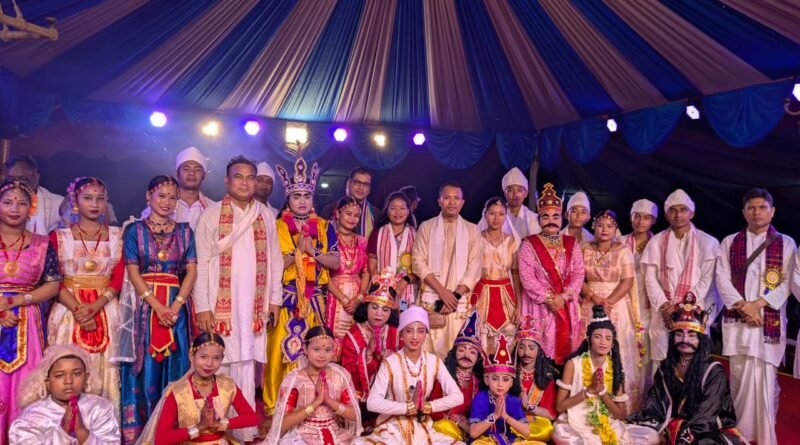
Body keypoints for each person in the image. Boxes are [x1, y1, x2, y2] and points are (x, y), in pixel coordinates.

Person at [193, 156, 283, 442]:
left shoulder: (265, 215)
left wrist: (275, 299)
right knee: (219, 360)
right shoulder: (210, 215)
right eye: (238, 177)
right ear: (227, 181)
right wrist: (202, 305)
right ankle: (213, 428)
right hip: (220, 304)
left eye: (250, 177)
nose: (245, 183)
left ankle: (242, 430)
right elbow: (201, 263)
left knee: (246, 363)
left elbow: (275, 260)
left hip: (254, 304)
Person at [117, 176, 197, 444]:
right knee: (145, 367)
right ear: (148, 197)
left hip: (176, 306)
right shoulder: (134, 230)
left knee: (177, 363)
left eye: (173, 197)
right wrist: (157, 305)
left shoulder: (185, 231)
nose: (167, 202)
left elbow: (191, 270)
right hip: (145, 307)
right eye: (161, 196)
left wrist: (176, 305)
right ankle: (143, 435)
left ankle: (173, 433)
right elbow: (132, 271)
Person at [263, 155, 340, 416]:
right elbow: (271, 266)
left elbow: (335, 262)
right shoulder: (275, 227)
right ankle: (275, 408)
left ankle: (310, 406)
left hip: (314, 301)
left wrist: (312, 252)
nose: (302, 201)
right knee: (278, 352)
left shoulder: (325, 227)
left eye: (306, 196)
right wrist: (297, 250)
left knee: (314, 353)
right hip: (285, 299)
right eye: (296, 196)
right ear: (288, 199)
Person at [717, 188, 795, 445]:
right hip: (739, 321)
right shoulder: (730, 242)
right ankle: (738, 432)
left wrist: (757, 305)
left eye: (762, 207)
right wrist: (744, 307)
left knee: (766, 379)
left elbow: (788, 282)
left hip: (767, 322)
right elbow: (722, 278)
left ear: (772, 212)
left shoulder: (786, 243)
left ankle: (764, 434)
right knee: (738, 377)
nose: (756, 212)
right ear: (744, 212)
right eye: (751, 208)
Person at [47, 177, 125, 417]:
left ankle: (102, 427)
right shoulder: (58, 237)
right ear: (75, 201)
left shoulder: (118, 235)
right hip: (69, 310)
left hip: (106, 308)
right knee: (67, 367)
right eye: (88, 198)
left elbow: (118, 277)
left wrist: (96, 306)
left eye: (100, 199)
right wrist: (79, 309)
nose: (94, 204)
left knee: (106, 369)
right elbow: (54, 279)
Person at [628, 294, 748, 444]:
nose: (685, 340)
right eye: (679, 334)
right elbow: (655, 403)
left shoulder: (713, 371)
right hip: (674, 423)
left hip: (707, 428)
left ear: (701, 340)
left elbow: (707, 414)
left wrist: (685, 437)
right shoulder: (666, 367)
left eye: (692, 335)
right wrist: (651, 424)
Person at [0, 180, 62, 443]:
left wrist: (18, 300)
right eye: (7, 202)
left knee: (26, 387)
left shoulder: (42, 244)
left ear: (31, 208)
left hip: (27, 321)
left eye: (22, 203)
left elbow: (53, 285)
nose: (14, 208)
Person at [354, 306, 466, 445]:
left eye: (420, 331)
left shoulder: (434, 361)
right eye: (409, 331)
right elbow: (372, 403)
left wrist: (427, 406)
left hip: (422, 426)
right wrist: (407, 408)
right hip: (393, 427)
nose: (415, 337)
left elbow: (458, 397)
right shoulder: (390, 362)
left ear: (426, 333)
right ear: (401, 334)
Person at [552, 306, 658, 445]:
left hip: (607, 422)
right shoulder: (573, 364)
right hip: (576, 423)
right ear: (588, 339)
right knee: (565, 437)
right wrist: (589, 391)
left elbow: (620, 414)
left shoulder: (614, 367)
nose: (603, 342)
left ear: (612, 344)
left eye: (608, 338)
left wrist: (602, 392)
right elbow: (560, 406)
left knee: (651, 437)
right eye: (597, 337)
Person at [640, 189, 720, 369]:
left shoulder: (708, 243)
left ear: (692, 213)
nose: (678, 215)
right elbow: (650, 279)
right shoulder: (656, 242)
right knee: (662, 364)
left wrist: (680, 308)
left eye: (683, 209)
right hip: (664, 314)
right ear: (666, 215)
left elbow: (707, 281)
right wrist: (665, 306)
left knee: (693, 365)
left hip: (694, 312)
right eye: (673, 210)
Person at [135, 332, 260, 445]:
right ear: (191, 356)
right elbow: (161, 439)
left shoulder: (227, 386)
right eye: (203, 357)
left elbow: (252, 418)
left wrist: (220, 423)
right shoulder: (178, 392)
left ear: (222, 359)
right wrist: (199, 427)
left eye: (216, 358)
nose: (209, 364)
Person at [580, 210, 645, 412]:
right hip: (590, 304)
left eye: (609, 226)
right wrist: (594, 298)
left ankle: (619, 404)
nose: (604, 230)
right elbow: (578, 278)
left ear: (616, 228)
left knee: (617, 348)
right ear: (593, 227)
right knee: (588, 346)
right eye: (600, 225)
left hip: (616, 305)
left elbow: (627, 281)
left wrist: (608, 302)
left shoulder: (623, 250)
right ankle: (586, 402)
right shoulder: (584, 249)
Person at [413, 181, 482, 356]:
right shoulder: (426, 227)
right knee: (428, 352)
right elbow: (418, 262)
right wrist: (442, 292)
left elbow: (475, 267)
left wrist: (454, 296)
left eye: (456, 198)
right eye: (447, 198)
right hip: (432, 300)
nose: (452, 202)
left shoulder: (472, 230)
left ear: (462, 202)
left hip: (458, 304)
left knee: (456, 353)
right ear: (439, 201)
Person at [518, 183, 584, 366]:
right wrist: (550, 299)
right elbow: (527, 278)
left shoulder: (571, 243)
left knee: (567, 356)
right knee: (540, 355)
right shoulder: (528, 244)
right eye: (545, 216)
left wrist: (563, 297)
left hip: (566, 305)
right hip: (539, 307)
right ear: (539, 219)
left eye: (555, 216)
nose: (551, 221)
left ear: (562, 218)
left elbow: (579, 273)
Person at [265, 326, 361, 444]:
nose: (322, 355)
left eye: (327, 350)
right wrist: (315, 404)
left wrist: (330, 401)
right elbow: (282, 424)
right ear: (305, 349)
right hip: (301, 436)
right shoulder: (295, 379)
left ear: (333, 351)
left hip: (335, 435)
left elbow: (355, 416)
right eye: (316, 349)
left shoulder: (340, 376)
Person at [9, 344, 120, 444]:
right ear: (47, 381)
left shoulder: (100, 407)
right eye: (59, 375)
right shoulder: (33, 415)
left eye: (77, 374)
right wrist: (63, 431)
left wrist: (81, 430)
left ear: (86, 377)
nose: (69, 381)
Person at [341, 267, 402, 405]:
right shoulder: (353, 335)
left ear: (391, 312)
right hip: (361, 399)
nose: (379, 314)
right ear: (366, 307)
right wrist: (368, 353)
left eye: (385, 310)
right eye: (374, 308)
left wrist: (387, 357)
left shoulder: (396, 333)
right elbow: (348, 373)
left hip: (391, 398)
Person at [472, 197, 521, 354]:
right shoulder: (476, 239)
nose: (496, 218)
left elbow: (516, 274)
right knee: (479, 336)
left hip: (506, 296)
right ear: (485, 215)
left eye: (501, 214)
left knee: (506, 343)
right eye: (492, 213)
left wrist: (519, 306)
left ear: (506, 216)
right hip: (480, 294)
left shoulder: (511, 241)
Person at [469, 334, 538, 445]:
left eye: (505, 379)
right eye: (495, 378)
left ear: (511, 383)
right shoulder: (481, 398)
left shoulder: (513, 400)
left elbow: (526, 431)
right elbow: (473, 433)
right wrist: (495, 416)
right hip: (486, 440)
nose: (500, 384)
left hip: (510, 439)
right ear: (486, 380)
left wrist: (505, 416)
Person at [619, 199, 658, 384]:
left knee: (647, 355)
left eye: (646, 217)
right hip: (624, 305)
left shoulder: (658, 244)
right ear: (631, 218)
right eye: (637, 216)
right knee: (624, 351)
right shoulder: (619, 242)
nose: (640, 221)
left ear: (653, 220)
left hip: (649, 308)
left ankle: (644, 395)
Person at [431, 310, 484, 442]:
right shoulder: (443, 377)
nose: (466, 354)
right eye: (461, 350)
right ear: (454, 353)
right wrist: (452, 419)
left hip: (468, 430)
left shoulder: (478, 382)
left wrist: (467, 423)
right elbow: (432, 409)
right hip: (443, 429)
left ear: (478, 359)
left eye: (472, 352)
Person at [326, 197, 369, 358]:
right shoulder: (329, 239)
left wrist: (359, 298)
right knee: (333, 339)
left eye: (356, 215)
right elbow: (324, 275)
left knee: (355, 341)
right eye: (348, 214)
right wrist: (343, 299)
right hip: (334, 295)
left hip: (357, 296)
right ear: (338, 213)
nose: (352, 218)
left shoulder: (362, 241)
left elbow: (366, 272)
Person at [141, 147, 215, 230]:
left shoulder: (213, 208)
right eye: (186, 169)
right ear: (177, 173)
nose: (191, 173)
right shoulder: (161, 205)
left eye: (197, 170)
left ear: (204, 175)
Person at [367, 191, 416, 310]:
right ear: (387, 210)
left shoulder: (416, 234)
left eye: (402, 208)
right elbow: (372, 260)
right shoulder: (378, 233)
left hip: (406, 290)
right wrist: (381, 281)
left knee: (403, 314)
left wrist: (405, 281)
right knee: (383, 316)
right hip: (382, 290)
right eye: (393, 208)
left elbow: (419, 266)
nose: (398, 212)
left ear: (408, 211)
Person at [515, 316, 557, 443]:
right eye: (522, 347)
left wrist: (528, 406)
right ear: (516, 349)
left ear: (539, 351)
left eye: (531, 348)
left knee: (546, 430)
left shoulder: (546, 376)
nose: (526, 352)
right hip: (512, 421)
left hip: (536, 424)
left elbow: (551, 415)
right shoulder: (508, 373)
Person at [4, 155, 64, 235]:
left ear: (36, 177)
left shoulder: (58, 203)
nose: (16, 183)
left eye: (22, 179)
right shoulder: (2, 202)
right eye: (11, 179)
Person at [477, 167, 540, 239]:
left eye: (519, 190)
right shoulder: (492, 215)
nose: (515, 194)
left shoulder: (533, 218)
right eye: (510, 190)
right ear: (505, 193)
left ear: (525, 193)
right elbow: (479, 237)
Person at [321, 167, 376, 238]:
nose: (361, 188)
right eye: (357, 182)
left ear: (370, 189)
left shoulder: (376, 214)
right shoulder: (330, 209)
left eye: (366, 184)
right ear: (348, 183)